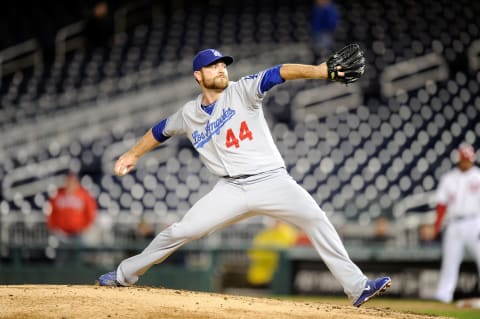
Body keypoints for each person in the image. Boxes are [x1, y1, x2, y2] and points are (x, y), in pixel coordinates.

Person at [97, 47, 391, 307]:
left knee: (315, 219)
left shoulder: (242, 90)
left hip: (272, 181)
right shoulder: (189, 113)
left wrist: (319, 71)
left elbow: (280, 72)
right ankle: (125, 275)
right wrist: (133, 154)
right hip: (230, 189)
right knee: (181, 231)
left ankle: (357, 287)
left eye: (223, 64)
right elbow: (160, 130)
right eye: (214, 66)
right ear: (198, 75)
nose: (222, 68)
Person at [432, 144, 480, 303]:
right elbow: (441, 204)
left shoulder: (478, 176)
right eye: (465, 159)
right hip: (454, 223)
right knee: (450, 261)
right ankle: (443, 295)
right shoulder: (449, 178)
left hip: (475, 222)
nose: (467, 162)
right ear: (459, 159)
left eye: (469, 160)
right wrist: (437, 225)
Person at [47, 172, 97, 265]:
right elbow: (51, 212)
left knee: (78, 261)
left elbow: (91, 212)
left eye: (72, 181)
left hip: (78, 233)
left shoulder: (83, 195)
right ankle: (59, 279)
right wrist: (53, 226)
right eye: (68, 181)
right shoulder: (59, 194)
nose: (70, 184)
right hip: (62, 234)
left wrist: (85, 227)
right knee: (61, 260)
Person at [247, 220, 298, 288]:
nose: (276, 222)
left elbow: (290, 254)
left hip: (282, 275)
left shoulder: (290, 234)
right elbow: (253, 252)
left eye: (279, 220)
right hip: (259, 276)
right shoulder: (264, 234)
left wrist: (268, 253)